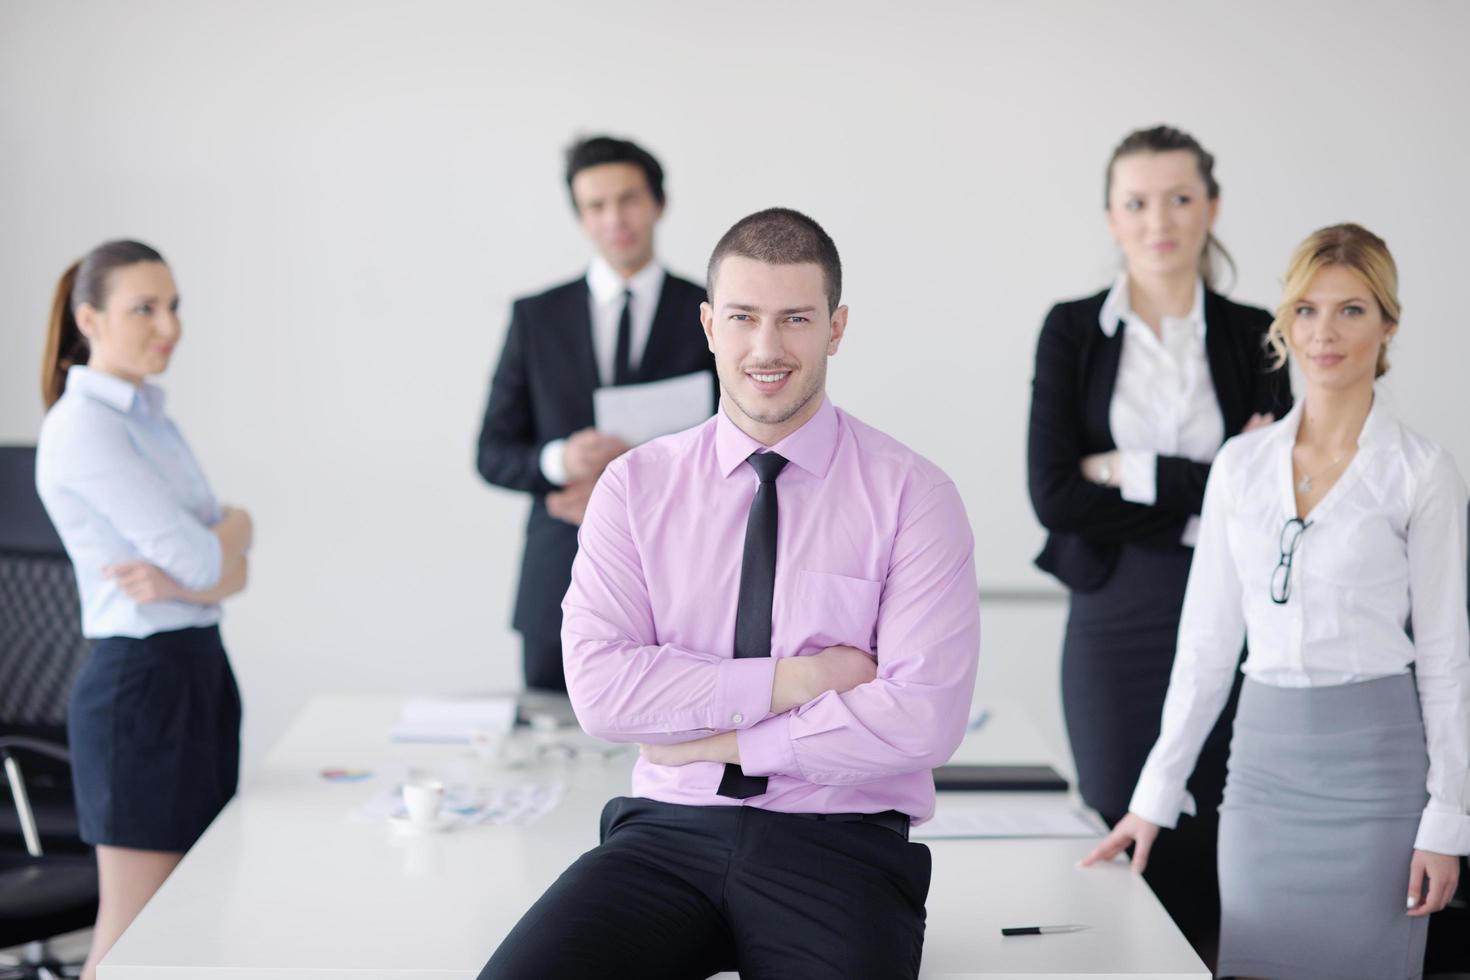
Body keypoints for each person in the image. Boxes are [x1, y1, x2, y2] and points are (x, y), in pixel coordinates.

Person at [479, 208, 980, 979]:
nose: (767, 348)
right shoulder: (634, 488)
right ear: (710, 325)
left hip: (840, 843)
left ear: (836, 328)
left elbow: (922, 721)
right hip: (665, 834)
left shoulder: (914, 494)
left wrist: (723, 740)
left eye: (796, 319)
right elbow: (604, 693)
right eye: (743, 317)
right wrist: (803, 681)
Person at [1083, 224, 1470, 980]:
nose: (1325, 332)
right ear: (1284, 323)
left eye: (1352, 310)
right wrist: (1154, 796)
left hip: (1378, 774)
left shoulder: (1420, 472)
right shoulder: (1241, 465)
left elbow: (1448, 661)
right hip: (1260, 773)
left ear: (1388, 323)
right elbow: (1205, 646)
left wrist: (1447, 818)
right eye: (1307, 309)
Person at [1025, 124, 1292, 961]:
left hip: (1236, 608)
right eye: (1137, 202)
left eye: (1180, 197)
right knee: (1116, 808)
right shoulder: (1072, 330)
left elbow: (1271, 493)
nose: (1159, 220)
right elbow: (1054, 494)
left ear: (1211, 206)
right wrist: (1209, 478)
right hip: (1114, 610)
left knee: (1213, 820)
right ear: (1111, 216)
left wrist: (1126, 469)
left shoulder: (1261, 332)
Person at [34, 240, 253, 980]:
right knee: (130, 945)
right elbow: (207, 559)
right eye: (145, 308)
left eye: (173, 306)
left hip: (197, 672)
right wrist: (222, 549)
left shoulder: (150, 416)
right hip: (141, 692)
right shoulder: (83, 427)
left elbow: (228, 560)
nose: (169, 325)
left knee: (190, 925)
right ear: (89, 319)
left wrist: (223, 548)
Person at [475, 135, 716, 692]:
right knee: (549, 755)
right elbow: (491, 452)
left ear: (657, 202)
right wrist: (561, 460)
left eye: (628, 199)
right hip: (559, 579)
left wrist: (636, 493)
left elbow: (747, 445)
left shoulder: (713, 310)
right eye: (596, 206)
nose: (615, 219)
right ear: (581, 217)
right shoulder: (535, 317)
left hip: (684, 584)